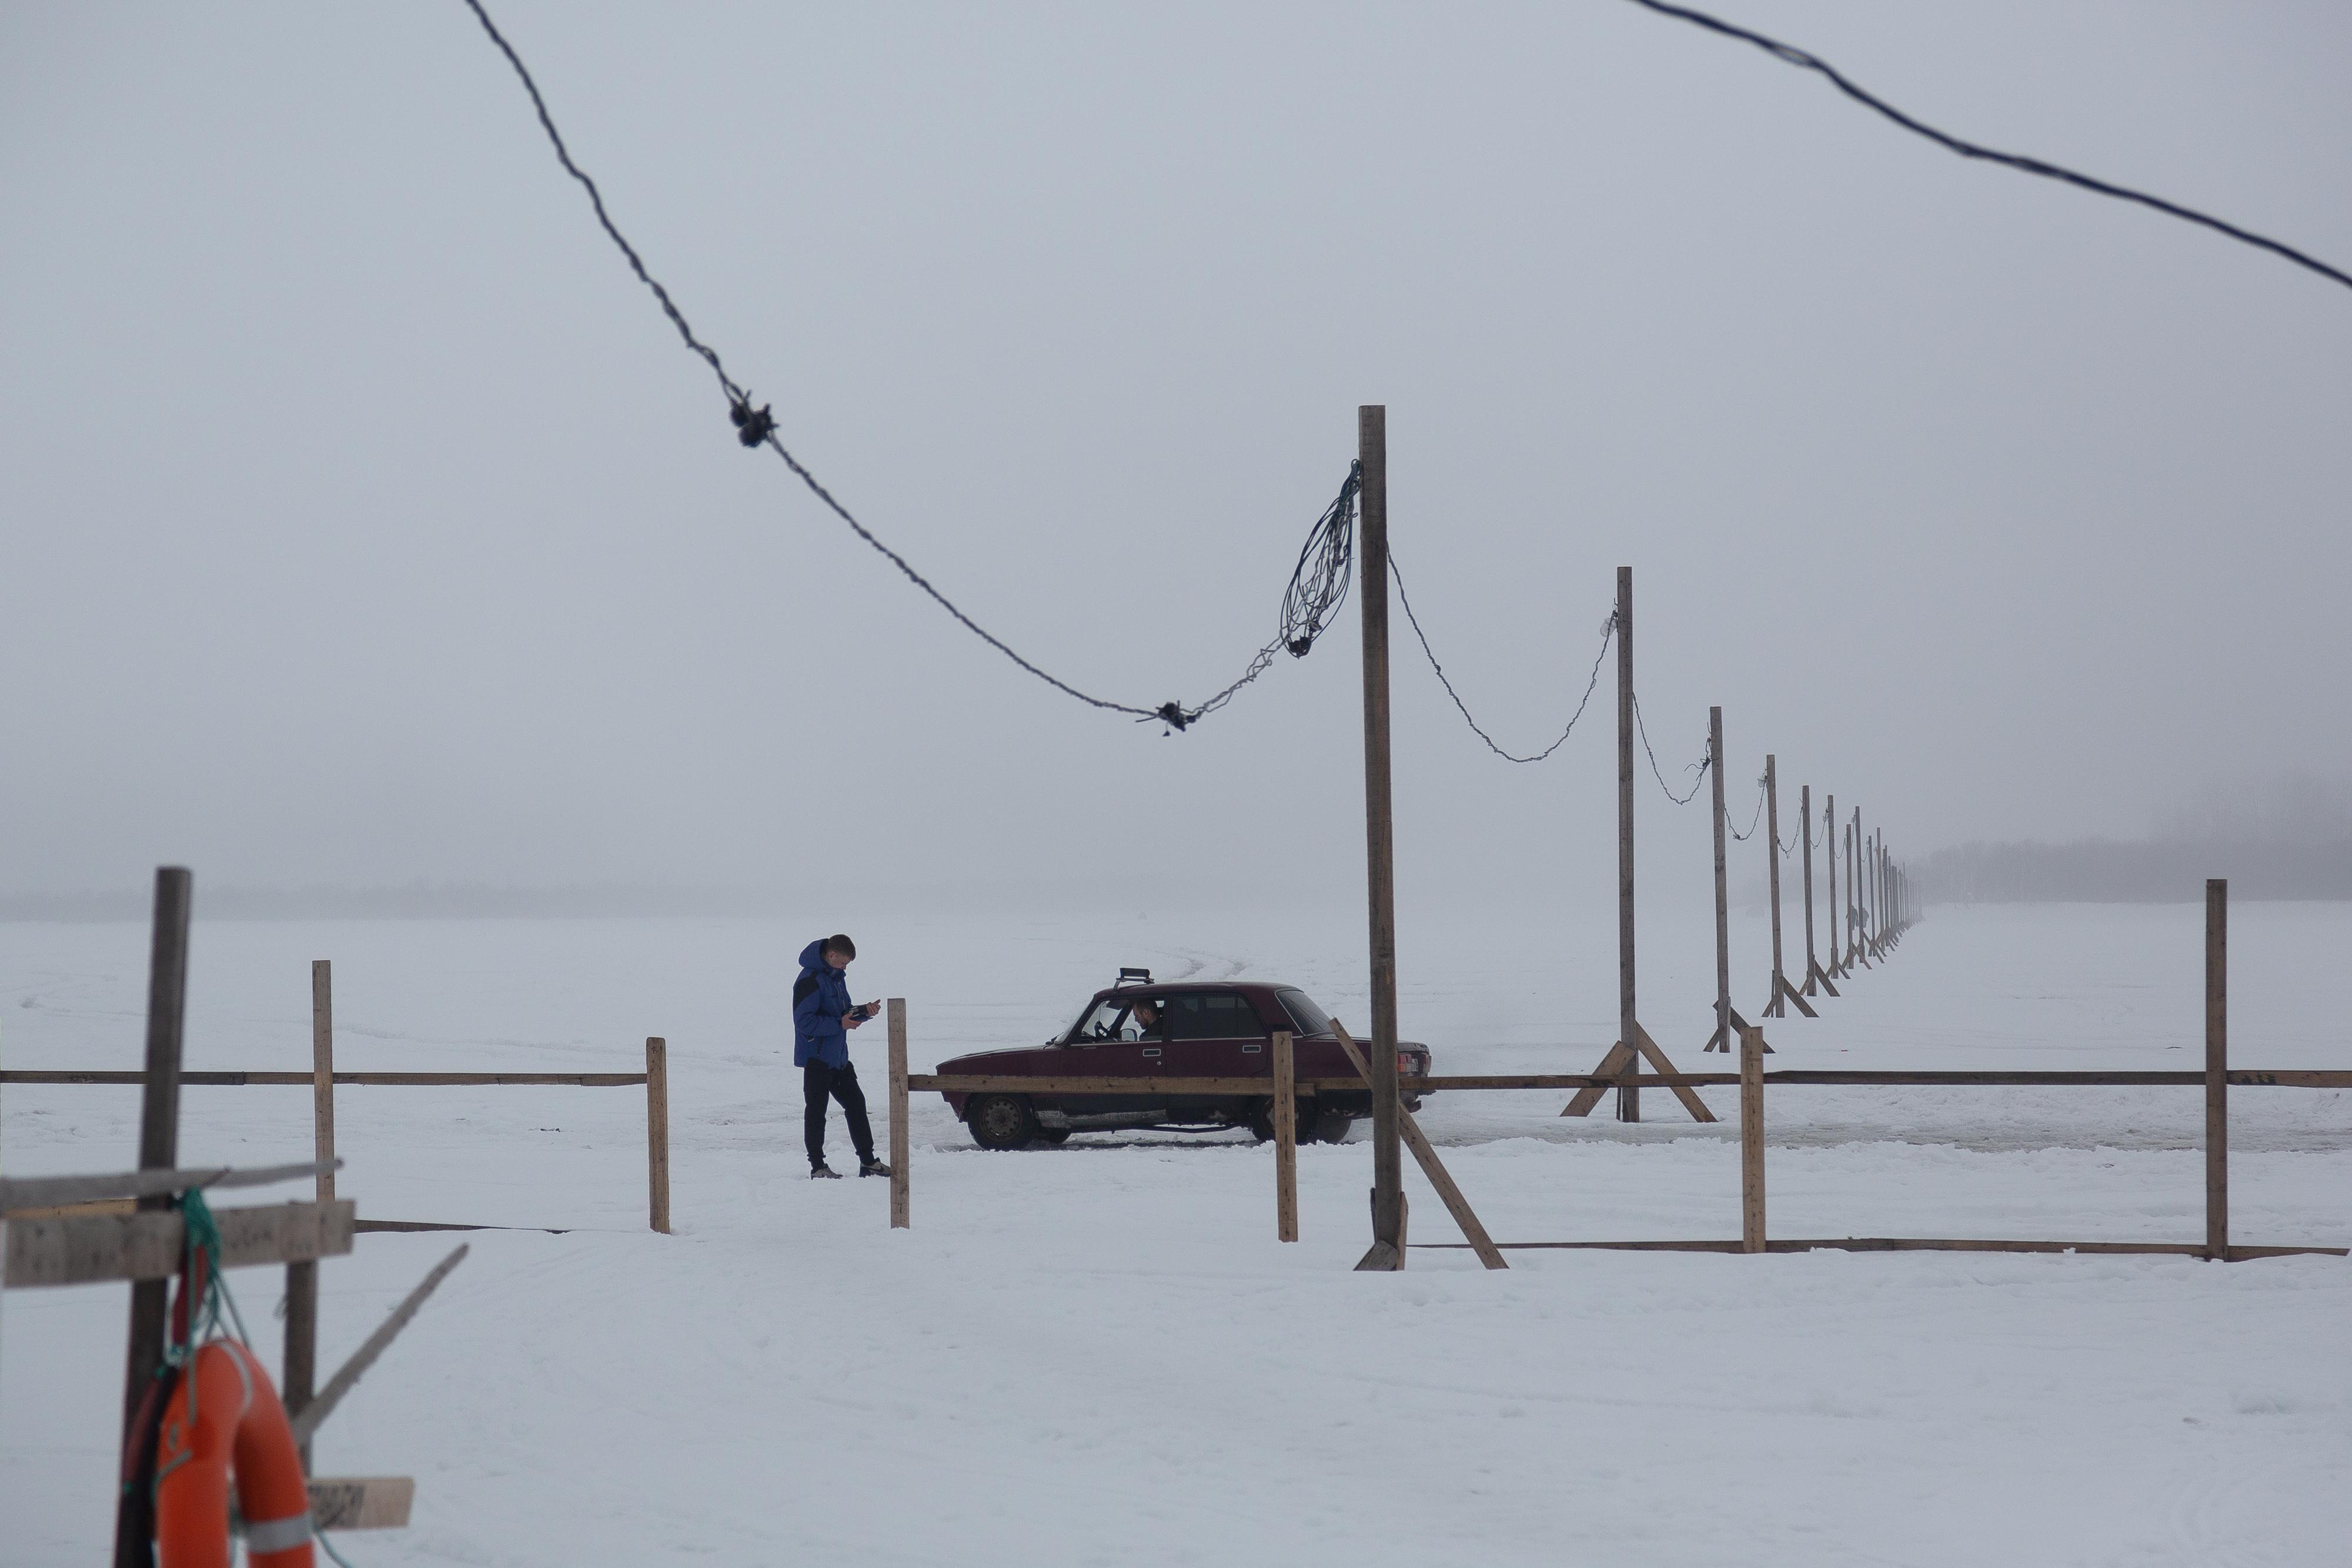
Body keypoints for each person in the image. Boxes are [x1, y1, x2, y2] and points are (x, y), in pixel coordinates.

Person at [793, 934, 890, 1179]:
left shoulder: (836, 978)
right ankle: (818, 1167)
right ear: (832, 955)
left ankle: (868, 1163)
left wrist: (864, 1012)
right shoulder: (809, 980)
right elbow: (804, 1022)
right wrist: (840, 1023)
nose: (845, 968)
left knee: (857, 1105)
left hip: (839, 1060)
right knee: (817, 1112)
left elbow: (843, 1013)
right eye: (843, 963)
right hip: (817, 1060)